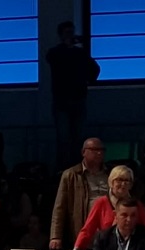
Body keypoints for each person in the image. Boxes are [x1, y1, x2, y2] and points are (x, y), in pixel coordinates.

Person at [46, 21, 100, 168]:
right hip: (62, 103)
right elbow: (51, 58)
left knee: (78, 139)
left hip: (77, 100)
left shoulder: (79, 54)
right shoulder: (56, 53)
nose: (70, 35)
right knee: (63, 139)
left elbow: (95, 69)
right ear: (61, 35)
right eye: (67, 33)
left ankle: (77, 169)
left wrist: (86, 82)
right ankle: (64, 170)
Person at [66, 164, 145, 250]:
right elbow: (88, 230)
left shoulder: (137, 204)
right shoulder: (101, 203)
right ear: (111, 182)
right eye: (119, 180)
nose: (123, 184)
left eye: (127, 181)